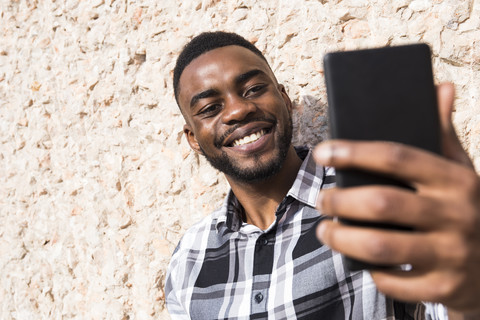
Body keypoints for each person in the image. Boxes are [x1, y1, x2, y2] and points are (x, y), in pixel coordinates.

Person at [165, 31, 480, 319]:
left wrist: (469, 295)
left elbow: (454, 296)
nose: (237, 110)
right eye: (210, 108)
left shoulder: (378, 199)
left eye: (254, 89)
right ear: (193, 138)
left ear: (285, 100)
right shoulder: (189, 261)